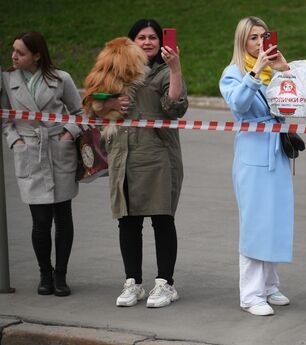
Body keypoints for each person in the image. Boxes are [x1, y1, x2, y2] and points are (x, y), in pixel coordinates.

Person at [90, 19, 188, 308]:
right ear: (131, 41)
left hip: (157, 156)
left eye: (153, 38)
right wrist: (108, 105)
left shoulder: (163, 71)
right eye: (141, 37)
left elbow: (176, 108)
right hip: (123, 155)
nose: (147, 42)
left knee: (162, 219)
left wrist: (175, 69)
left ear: (161, 42)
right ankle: (132, 282)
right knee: (128, 222)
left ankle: (165, 284)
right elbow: (91, 103)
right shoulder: (114, 68)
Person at [219, 16, 294, 316]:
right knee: (254, 223)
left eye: (263, 36)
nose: (260, 42)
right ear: (242, 42)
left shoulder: (273, 72)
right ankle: (250, 294)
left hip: (278, 152)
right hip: (252, 153)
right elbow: (237, 104)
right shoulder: (233, 73)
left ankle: (269, 285)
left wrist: (285, 71)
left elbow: (299, 102)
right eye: (253, 37)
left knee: (276, 218)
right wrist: (255, 71)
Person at [1, 31, 83, 297]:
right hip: (30, 152)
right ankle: (44, 274)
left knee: (63, 217)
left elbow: (80, 112)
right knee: (40, 221)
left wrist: (70, 132)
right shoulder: (6, 80)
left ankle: (61, 275)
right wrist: (16, 142)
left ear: (36, 55)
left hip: (59, 151)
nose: (13, 56)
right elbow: (4, 119)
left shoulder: (61, 78)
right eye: (13, 50)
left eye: (20, 52)